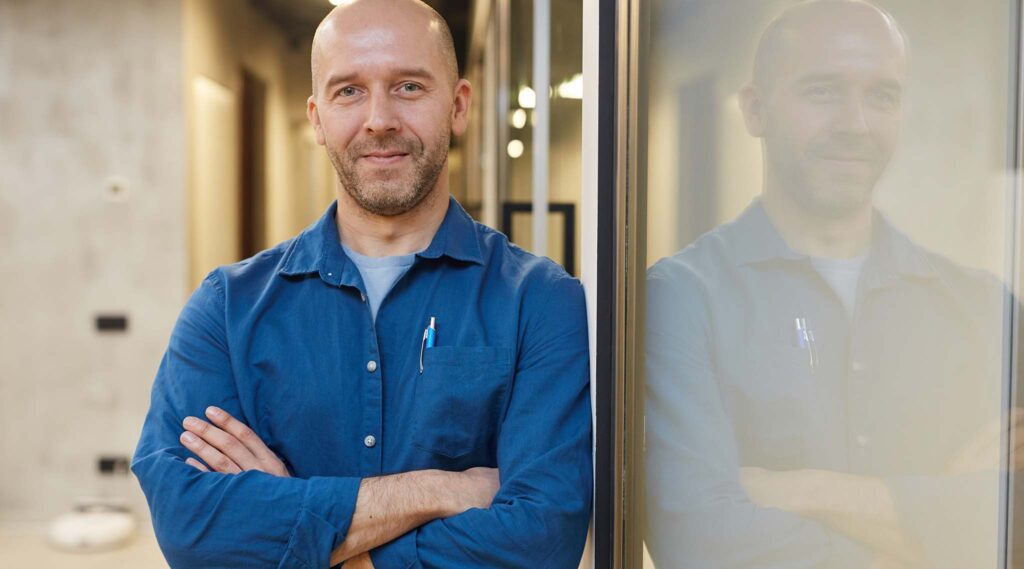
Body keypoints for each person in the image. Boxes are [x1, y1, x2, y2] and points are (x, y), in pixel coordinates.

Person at [131, 1, 592, 567]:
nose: (379, 119)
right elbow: (191, 526)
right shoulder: (226, 309)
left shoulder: (540, 301)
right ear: (317, 117)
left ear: (459, 105)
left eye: (409, 86)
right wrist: (439, 490)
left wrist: (301, 529)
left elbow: (542, 539)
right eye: (348, 90)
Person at [644, 1, 1010, 567]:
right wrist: (937, 527)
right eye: (822, 91)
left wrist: (805, 491)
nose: (855, 124)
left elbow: (1013, 525)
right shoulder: (682, 298)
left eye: (881, 96)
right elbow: (700, 543)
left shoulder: (983, 308)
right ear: (756, 110)